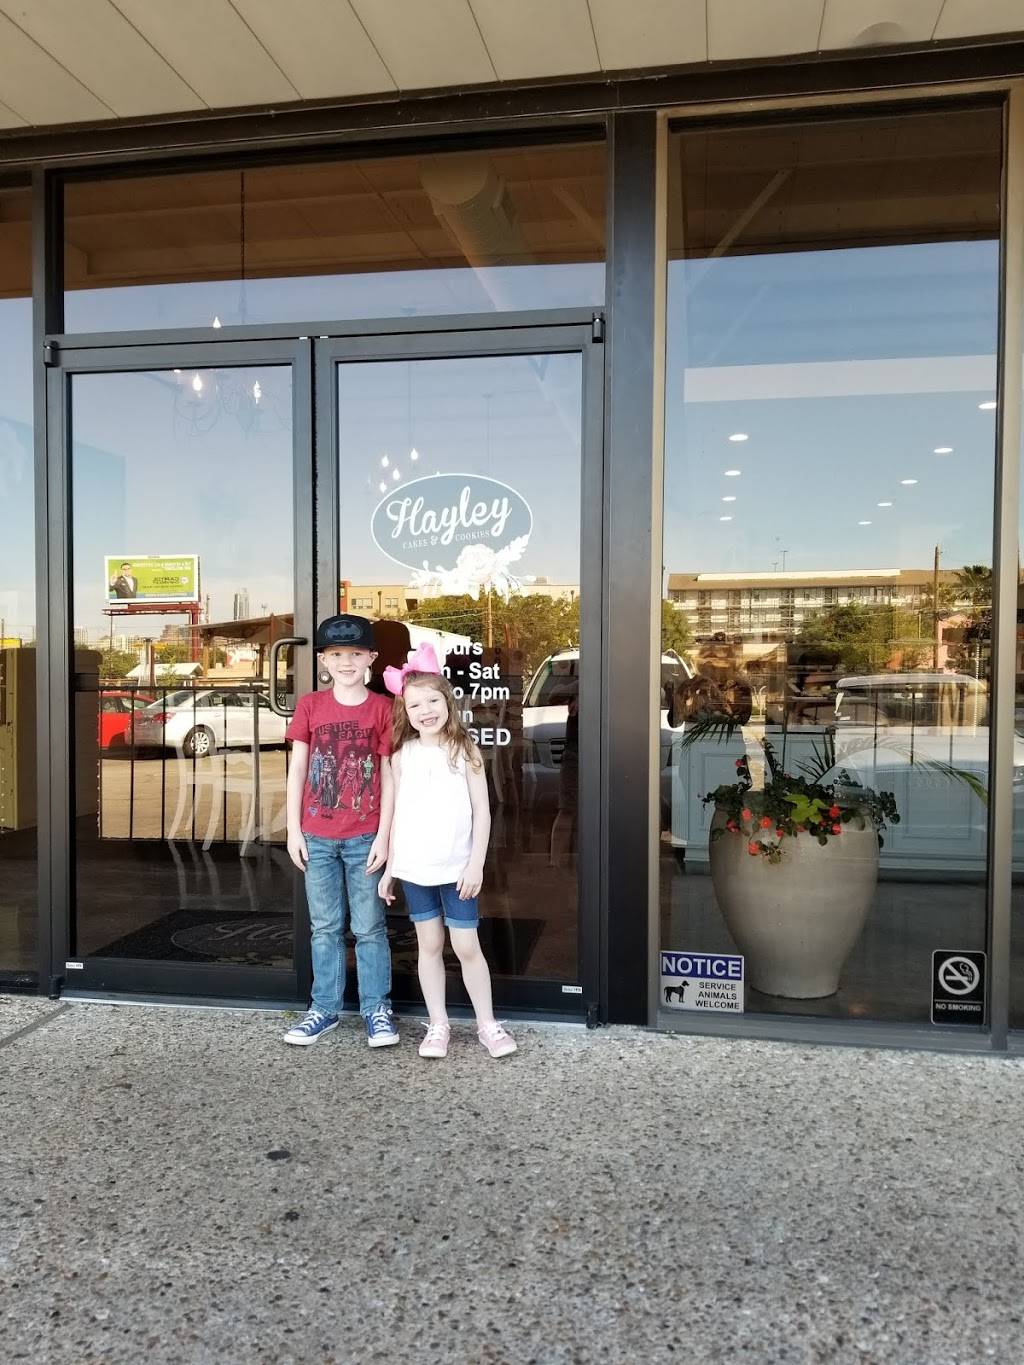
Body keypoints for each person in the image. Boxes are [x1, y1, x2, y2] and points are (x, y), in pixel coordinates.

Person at [378, 643, 516, 1061]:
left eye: (433, 701)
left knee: (467, 945)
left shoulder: (464, 749)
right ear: (405, 711)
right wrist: (391, 868)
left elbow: (482, 812)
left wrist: (476, 864)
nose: (426, 711)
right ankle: (438, 1024)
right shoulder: (401, 756)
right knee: (430, 944)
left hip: (457, 870)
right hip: (415, 869)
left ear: (448, 702)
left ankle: (487, 1024)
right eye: (415, 705)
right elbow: (398, 814)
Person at [282, 613, 399, 1049]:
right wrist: (293, 829)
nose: (346, 662)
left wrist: (385, 836)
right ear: (323, 660)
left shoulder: (383, 708)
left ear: (371, 657)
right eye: (336, 654)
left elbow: (389, 774)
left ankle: (376, 1009)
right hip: (316, 835)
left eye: (355, 653)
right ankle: (324, 1009)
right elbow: (298, 769)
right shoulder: (311, 706)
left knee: (369, 927)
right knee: (325, 927)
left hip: (365, 835)